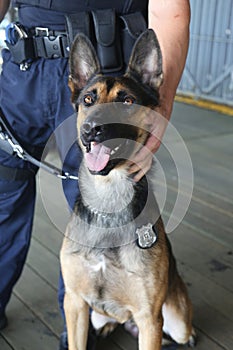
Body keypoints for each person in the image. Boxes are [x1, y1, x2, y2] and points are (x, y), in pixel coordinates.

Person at [0, 1, 190, 349]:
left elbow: (171, 10)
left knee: (96, 198)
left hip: (109, 54)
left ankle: (92, 322)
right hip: (24, 69)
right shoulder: (85, 98)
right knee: (5, 189)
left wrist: (157, 114)